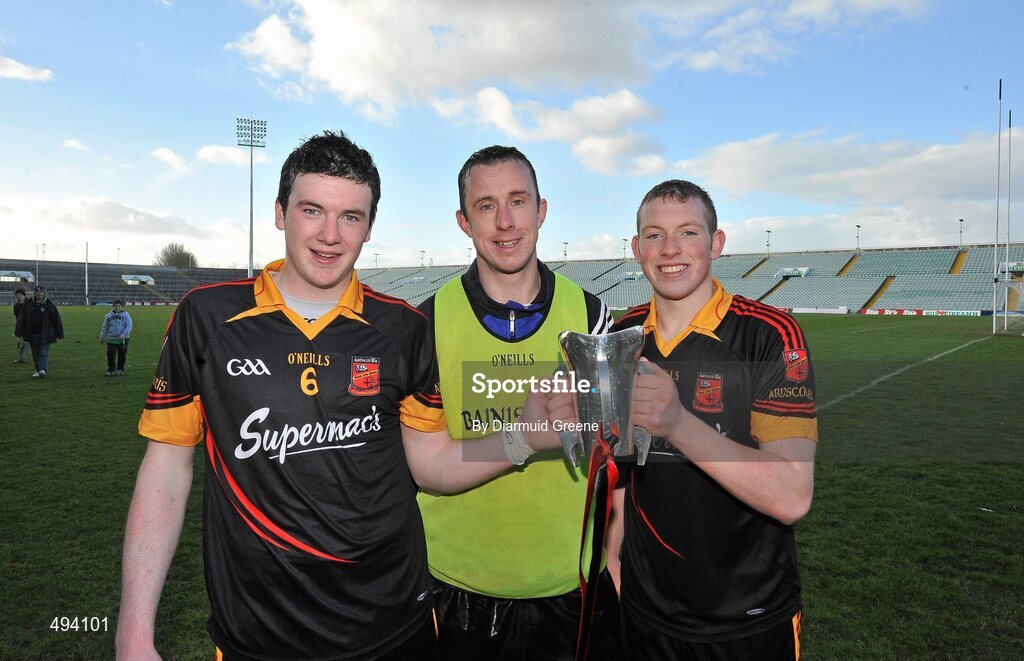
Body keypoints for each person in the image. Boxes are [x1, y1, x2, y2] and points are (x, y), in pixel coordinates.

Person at [115, 131, 563, 661]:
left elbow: (432, 463)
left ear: (369, 226)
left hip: (394, 626)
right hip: (259, 635)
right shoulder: (208, 317)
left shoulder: (401, 328)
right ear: (281, 213)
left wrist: (525, 437)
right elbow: (167, 470)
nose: (330, 235)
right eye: (313, 210)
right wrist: (134, 631)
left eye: (350, 216)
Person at [598, 180, 818, 659]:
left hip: (746, 618)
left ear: (716, 244)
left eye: (688, 233)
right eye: (654, 235)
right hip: (644, 612)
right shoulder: (621, 335)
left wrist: (677, 423)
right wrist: (613, 561)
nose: (670, 249)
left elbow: (792, 494)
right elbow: (618, 470)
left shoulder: (769, 336)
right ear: (636, 249)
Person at [416, 145, 620, 660]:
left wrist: (612, 558)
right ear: (464, 221)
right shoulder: (424, 324)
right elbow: (423, 463)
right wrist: (522, 437)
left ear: (541, 210)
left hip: (572, 584)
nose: (505, 222)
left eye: (518, 201)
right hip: (458, 586)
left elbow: (614, 456)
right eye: (486, 206)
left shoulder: (592, 315)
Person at [15, 285, 64, 378]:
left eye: (41, 292)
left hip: (46, 334)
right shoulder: (28, 305)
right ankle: (39, 370)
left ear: (44, 293)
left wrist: (59, 333)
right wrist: (18, 331)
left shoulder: (49, 305)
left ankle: (42, 370)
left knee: (43, 352)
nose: (39, 293)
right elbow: (21, 319)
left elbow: (57, 320)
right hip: (32, 334)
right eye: (37, 292)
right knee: (35, 354)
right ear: (35, 293)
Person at [99, 300, 133, 375]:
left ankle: (120, 369)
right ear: (113, 307)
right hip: (111, 339)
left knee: (122, 354)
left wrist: (123, 334)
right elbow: (105, 327)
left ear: (121, 307)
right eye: (115, 306)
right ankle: (111, 369)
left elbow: (129, 326)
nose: (117, 308)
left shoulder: (126, 315)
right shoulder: (108, 316)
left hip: (123, 339)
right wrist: (102, 337)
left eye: (119, 306)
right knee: (111, 354)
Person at [12, 287, 30, 363]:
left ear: (24, 295)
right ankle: (22, 358)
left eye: (20, 294)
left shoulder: (29, 303)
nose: (18, 296)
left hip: (32, 324)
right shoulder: (16, 306)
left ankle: (40, 357)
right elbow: (17, 317)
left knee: (36, 343)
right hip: (23, 326)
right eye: (17, 295)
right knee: (24, 342)